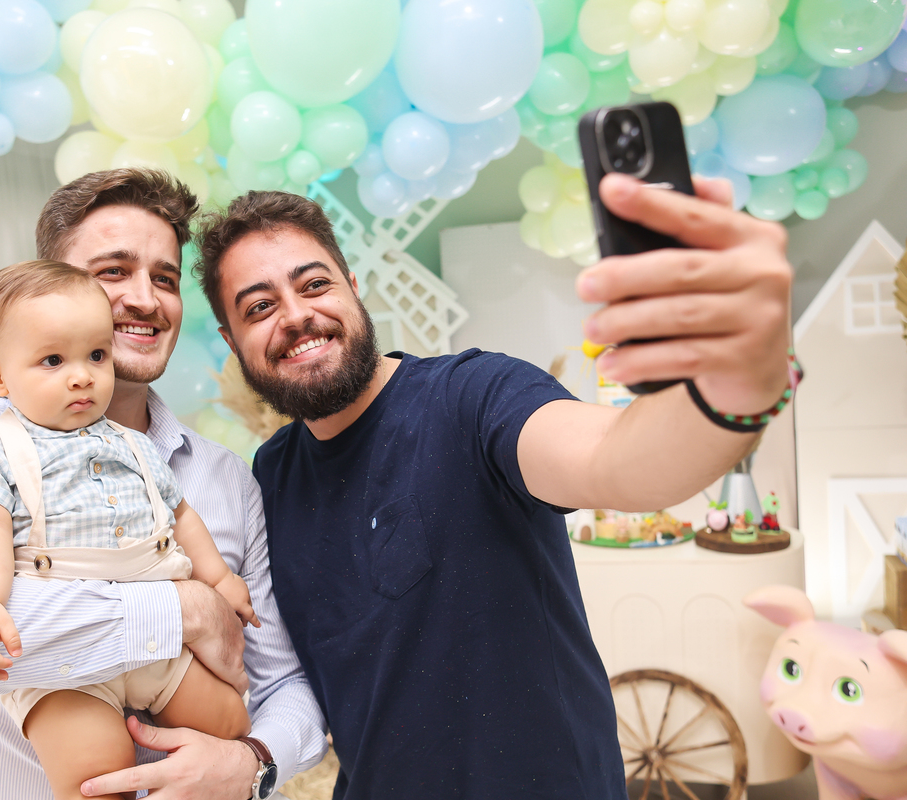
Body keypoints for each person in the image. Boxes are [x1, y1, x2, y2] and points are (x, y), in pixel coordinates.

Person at [150, 175, 795, 799]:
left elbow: (617, 460)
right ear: (233, 341)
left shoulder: (473, 397)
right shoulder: (271, 474)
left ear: (352, 287)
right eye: (259, 307)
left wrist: (738, 383)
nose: (296, 315)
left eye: (314, 284)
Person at [0, 169, 327, 800]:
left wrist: (253, 762)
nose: (146, 300)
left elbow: (282, 682)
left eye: (165, 279)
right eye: (113, 271)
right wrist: (185, 609)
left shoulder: (225, 477)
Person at [0, 260, 257, 799]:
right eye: (53, 360)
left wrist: (220, 579)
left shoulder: (135, 444)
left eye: (97, 356)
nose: (82, 375)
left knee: (229, 721)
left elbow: (181, 516)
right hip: (66, 665)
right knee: (97, 775)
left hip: (160, 648)